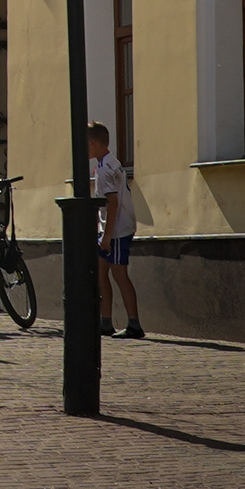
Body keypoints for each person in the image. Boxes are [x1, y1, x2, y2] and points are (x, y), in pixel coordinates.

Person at [90, 121, 143, 338]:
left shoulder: (104, 169)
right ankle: (105, 321)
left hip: (117, 230)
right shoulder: (112, 163)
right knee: (101, 271)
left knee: (120, 274)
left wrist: (107, 236)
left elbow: (112, 203)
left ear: (93, 143)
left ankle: (134, 324)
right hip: (112, 230)